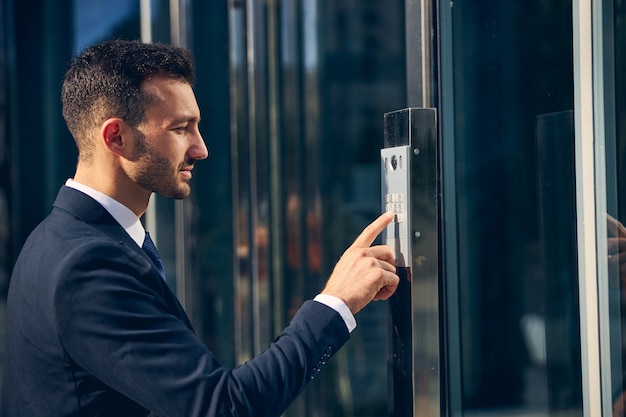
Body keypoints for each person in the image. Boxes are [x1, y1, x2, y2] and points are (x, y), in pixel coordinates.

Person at [0, 39, 399, 417]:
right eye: (180, 129)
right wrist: (338, 301)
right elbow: (222, 407)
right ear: (116, 137)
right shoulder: (87, 264)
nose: (201, 148)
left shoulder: (56, 239)